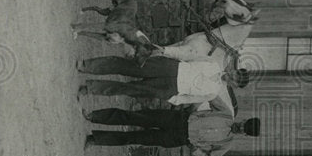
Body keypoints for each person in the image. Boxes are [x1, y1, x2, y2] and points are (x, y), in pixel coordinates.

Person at [84, 106, 259, 156]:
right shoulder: (226, 112)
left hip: (179, 139)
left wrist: (195, 149)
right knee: (135, 117)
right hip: (177, 119)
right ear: (243, 120)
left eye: (244, 131)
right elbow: (210, 95)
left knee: (135, 138)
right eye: (244, 125)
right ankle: (94, 116)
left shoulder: (227, 143)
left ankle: (95, 139)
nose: (241, 128)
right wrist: (191, 108)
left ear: (244, 135)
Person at [77, 54, 247, 105]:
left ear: (234, 86)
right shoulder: (213, 62)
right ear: (233, 69)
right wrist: (165, 53)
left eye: (235, 80)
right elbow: (188, 56)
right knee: (127, 66)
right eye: (235, 73)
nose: (232, 76)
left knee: (130, 89)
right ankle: (87, 65)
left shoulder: (212, 93)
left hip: (169, 88)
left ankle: (90, 88)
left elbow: (188, 99)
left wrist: (170, 97)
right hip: (171, 67)